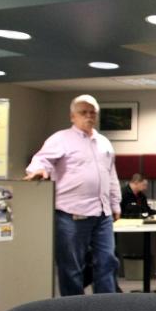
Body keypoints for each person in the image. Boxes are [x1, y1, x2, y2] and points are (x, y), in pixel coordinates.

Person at [24, 94, 121, 297]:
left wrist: (115, 204)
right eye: (83, 112)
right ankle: (73, 310)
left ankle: (108, 308)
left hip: (102, 214)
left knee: (107, 262)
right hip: (71, 213)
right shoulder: (61, 139)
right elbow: (41, 160)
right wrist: (39, 171)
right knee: (71, 267)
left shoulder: (103, 143)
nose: (89, 116)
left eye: (92, 113)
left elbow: (111, 175)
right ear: (72, 116)